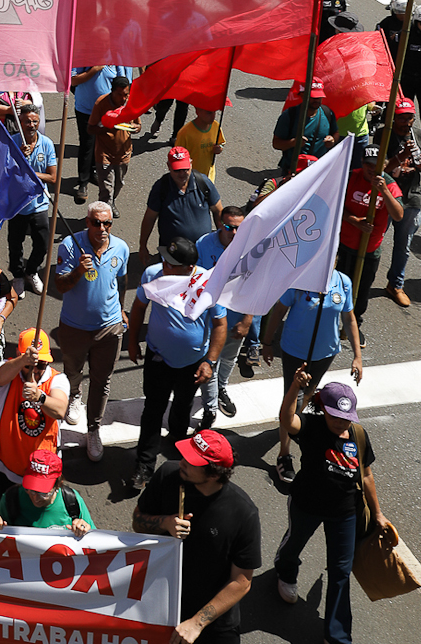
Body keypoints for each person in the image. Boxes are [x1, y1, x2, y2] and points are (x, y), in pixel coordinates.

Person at [133, 431, 261, 644]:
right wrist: (163, 523)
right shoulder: (169, 475)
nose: (182, 463)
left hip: (212, 605)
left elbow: (242, 582)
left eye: (192, 461)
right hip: (165, 594)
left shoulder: (243, 513)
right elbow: (137, 520)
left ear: (214, 473)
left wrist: (197, 622)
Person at [276, 376, 392, 644]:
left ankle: (337, 639)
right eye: (336, 417)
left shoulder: (358, 435)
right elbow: (286, 419)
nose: (342, 423)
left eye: (346, 418)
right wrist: (295, 388)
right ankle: (285, 571)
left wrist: (378, 514)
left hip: (344, 512)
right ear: (323, 409)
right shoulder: (311, 427)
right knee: (294, 544)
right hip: (307, 504)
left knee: (341, 572)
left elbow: (365, 475)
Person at [126, 235, 228, 492]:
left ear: (189, 268)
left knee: (182, 407)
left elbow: (219, 324)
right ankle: (144, 465)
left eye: (170, 262)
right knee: (153, 410)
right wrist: (132, 341)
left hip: (193, 365)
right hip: (158, 358)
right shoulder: (153, 274)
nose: (164, 264)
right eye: (164, 259)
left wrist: (210, 362)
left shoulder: (207, 282)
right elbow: (139, 307)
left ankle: (176, 447)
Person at [263, 268, 361, 485]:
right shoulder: (298, 278)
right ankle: (284, 453)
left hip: (325, 353)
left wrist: (357, 355)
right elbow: (279, 311)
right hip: (295, 351)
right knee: (294, 397)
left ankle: (292, 423)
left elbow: (349, 318)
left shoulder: (343, 281)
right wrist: (267, 342)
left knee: (307, 395)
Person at [54, 201, 129, 460]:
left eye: (106, 223)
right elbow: (60, 285)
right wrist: (77, 271)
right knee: (72, 371)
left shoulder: (121, 248)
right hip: (74, 327)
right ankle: (75, 395)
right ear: (87, 222)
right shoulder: (70, 245)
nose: (102, 228)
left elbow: (122, 281)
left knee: (102, 379)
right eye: (96, 223)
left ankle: (93, 428)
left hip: (108, 329)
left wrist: (122, 308)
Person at [0, 330, 70, 510]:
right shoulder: (8, 371)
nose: (37, 371)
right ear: (19, 356)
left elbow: (60, 409)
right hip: (7, 467)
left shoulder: (58, 379)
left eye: (42, 365)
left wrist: (40, 397)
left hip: (41, 474)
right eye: (31, 365)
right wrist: (23, 361)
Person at [195, 209, 258, 422]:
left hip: (236, 318)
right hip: (210, 319)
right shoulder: (204, 244)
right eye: (230, 227)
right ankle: (210, 408)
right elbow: (195, 279)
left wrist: (247, 320)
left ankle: (221, 388)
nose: (234, 232)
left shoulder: (250, 249)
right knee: (210, 360)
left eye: (239, 228)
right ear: (220, 225)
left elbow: (255, 287)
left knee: (229, 358)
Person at [335, 145, 402, 338]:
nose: (372, 169)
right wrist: (352, 220)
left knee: (361, 291)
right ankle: (331, 320)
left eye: (377, 166)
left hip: (369, 250)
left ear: (385, 165)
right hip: (345, 244)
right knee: (338, 286)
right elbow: (335, 203)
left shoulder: (389, 184)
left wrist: (384, 191)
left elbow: (398, 215)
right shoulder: (351, 176)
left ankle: (354, 325)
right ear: (362, 164)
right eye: (368, 165)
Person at [138, 146, 222, 268]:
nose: (182, 174)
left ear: (191, 164)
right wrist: (143, 246)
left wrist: (221, 240)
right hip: (172, 254)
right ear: (168, 166)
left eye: (185, 169)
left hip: (202, 253)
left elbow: (218, 211)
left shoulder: (203, 182)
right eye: (177, 170)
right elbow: (150, 218)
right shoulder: (161, 187)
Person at [380, 97, 421, 307]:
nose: (407, 122)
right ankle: (360, 279)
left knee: (403, 246)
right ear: (393, 118)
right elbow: (380, 169)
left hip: (411, 197)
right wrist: (401, 156)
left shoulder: (420, 136)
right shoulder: (383, 135)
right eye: (402, 118)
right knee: (375, 240)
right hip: (387, 197)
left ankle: (395, 284)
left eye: (410, 117)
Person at [7, 105, 57, 295]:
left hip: (39, 204)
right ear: (20, 123)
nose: (31, 125)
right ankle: (18, 276)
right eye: (27, 121)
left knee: (43, 243)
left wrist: (32, 174)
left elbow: (52, 177)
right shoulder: (12, 143)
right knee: (15, 243)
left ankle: (31, 271)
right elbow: (6, 174)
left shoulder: (47, 144)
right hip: (18, 205)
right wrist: (19, 157)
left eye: (35, 121)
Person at [69, 63, 131, 202]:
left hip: (108, 112)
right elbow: (73, 81)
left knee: (101, 143)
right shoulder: (84, 58)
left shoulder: (115, 59)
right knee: (87, 144)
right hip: (85, 109)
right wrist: (94, 70)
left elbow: (122, 80)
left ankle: (93, 172)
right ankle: (83, 182)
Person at [87, 74, 139, 209]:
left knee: (119, 183)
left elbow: (138, 126)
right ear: (112, 91)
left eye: (126, 95)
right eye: (119, 94)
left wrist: (135, 128)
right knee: (106, 189)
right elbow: (90, 129)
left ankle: (111, 202)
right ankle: (104, 214)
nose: (123, 99)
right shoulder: (101, 103)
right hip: (104, 154)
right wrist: (106, 126)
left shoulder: (132, 102)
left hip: (124, 153)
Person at [272, 82, 335, 174]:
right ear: (302, 95)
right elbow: (276, 143)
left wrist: (332, 140)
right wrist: (293, 143)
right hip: (292, 171)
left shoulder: (327, 113)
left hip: (318, 171)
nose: (316, 100)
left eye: (319, 97)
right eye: (313, 97)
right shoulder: (290, 115)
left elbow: (335, 133)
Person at [176, 106, 226, 181]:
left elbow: (221, 142)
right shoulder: (185, 133)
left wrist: (220, 148)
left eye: (214, 112)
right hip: (191, 177)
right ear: (198, 111)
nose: (213, 116)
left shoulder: (216, 126)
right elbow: (178, 157)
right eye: (209, 113)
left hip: (209, 176)